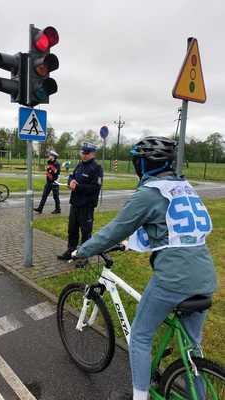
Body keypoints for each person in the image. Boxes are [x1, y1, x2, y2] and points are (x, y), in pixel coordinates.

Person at [72, 136, 217, 400]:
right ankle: (201, 395)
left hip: (174, 277)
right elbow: (171, 229)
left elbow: (115, 230)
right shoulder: (185, 187)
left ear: (144, 163)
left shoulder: (149, 192)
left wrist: (82, 251)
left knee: (140, 336)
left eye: (137, 161)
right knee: (193, 345)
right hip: (205, 274)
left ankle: (140, 397)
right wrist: (134, 243)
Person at [57, 142, 103, 267]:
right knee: (72, 229)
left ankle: (84, 256)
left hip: (87, 206)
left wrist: (77, 187)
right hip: (75, 204)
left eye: (86, 153)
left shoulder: (97, 168)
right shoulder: (80, 165)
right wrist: (70, 181)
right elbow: (71, 176)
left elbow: (95, 188)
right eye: (82, 152)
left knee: (86, 232)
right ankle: (71, 250)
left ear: (93, 153)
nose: (83, 155)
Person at [34, 150, 61, 214]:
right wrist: (48, 172)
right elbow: (48, 171)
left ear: (53, 156)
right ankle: (40, 209)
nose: (49, 156)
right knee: (44, 196)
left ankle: (58, 209)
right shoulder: (50, 162)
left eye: (50, 155)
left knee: (55, 197)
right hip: (48, 182)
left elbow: (54, 173)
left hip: (54, 183)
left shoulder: (56, 164)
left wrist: (49, 172)